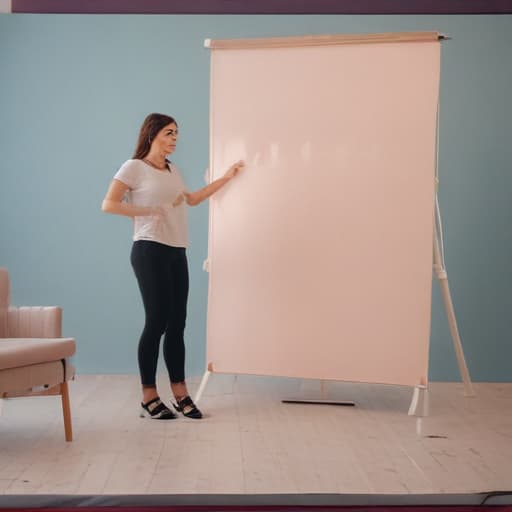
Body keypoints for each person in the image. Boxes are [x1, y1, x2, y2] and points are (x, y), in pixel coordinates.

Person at [102, 113, 244, 420]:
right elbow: (109, 204)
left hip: (176, 252)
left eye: (177, 133)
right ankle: (149, 395)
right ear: (152, 134)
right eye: (169, 133)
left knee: (177, 323)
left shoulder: (172, 170)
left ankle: (181, 394)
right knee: (157, 321)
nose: (175, 139)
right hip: (149, 250)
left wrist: (227, 177)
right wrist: (148, 211)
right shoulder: (134, 168)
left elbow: (191, 199)